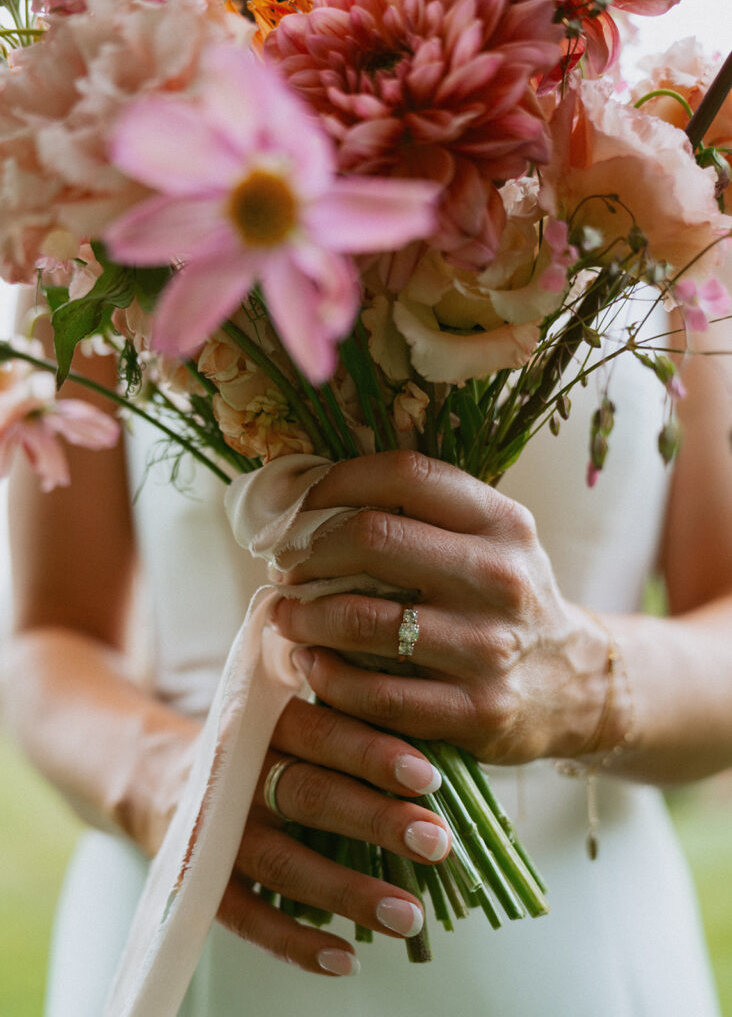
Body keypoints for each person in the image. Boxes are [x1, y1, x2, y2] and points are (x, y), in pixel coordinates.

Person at [2, 277, 730, 1015]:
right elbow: (48, 630)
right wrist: (171, 788)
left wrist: (585, 685)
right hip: (208, 917)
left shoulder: (689, 185)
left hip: (570, 951)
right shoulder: (96, 208)